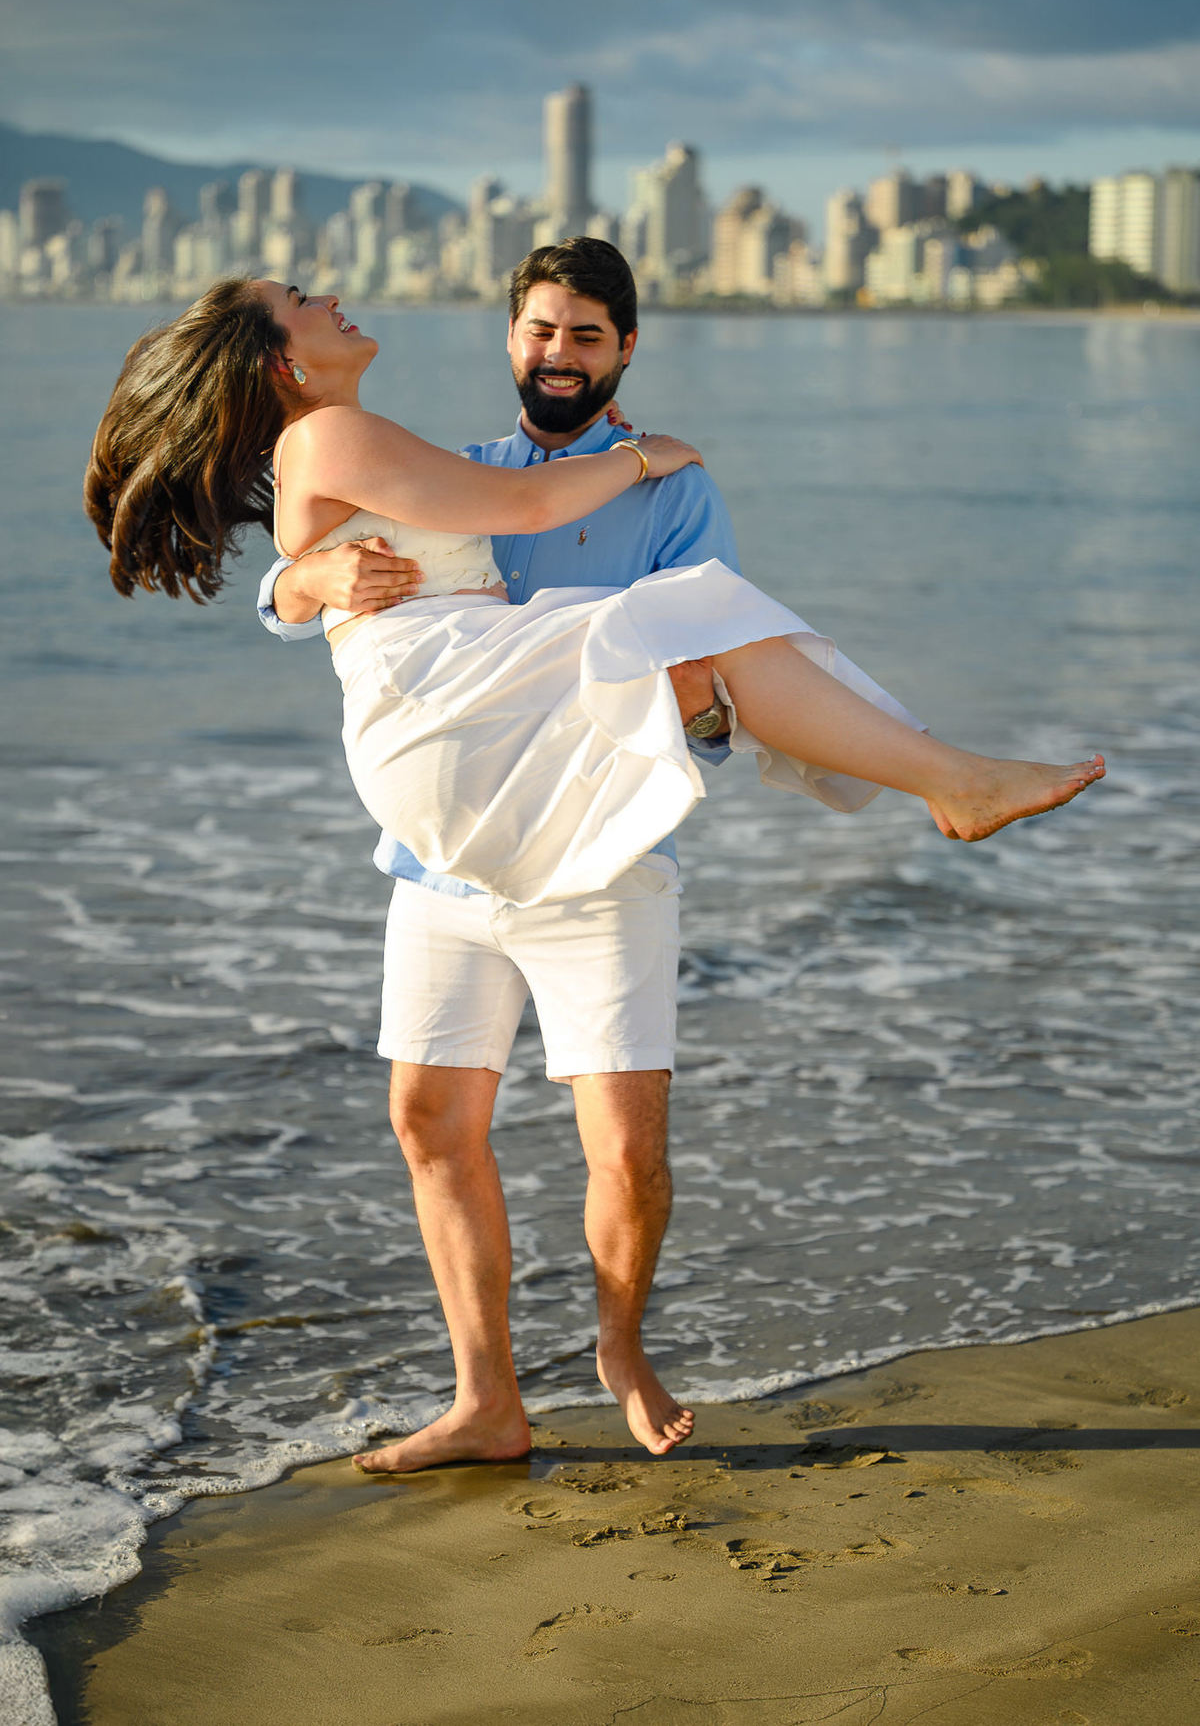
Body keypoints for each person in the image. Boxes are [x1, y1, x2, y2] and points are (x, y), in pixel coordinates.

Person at [86, 257, 1105, 1469]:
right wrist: (301, 578)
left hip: (571, 809)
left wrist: (697, 695)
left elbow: (707, 684)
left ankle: (617, 1349)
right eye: (537, 328)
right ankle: (488, 1402)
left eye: (584, 333)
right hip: (454, 810)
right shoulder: (412, 445)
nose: (557, 349)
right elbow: (479, 516)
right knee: (430, 1117)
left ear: (624, 347)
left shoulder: (667, 501)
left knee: (697, 618)